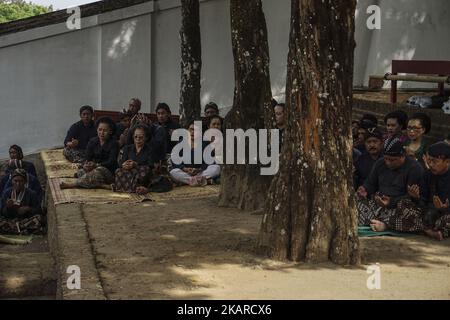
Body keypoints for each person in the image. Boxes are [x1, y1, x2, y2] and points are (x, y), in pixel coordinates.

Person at [356, 136, 423, 233]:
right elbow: (371, 183)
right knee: (355, 200)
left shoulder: (414, 168)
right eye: (386, 158)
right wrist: (364, 190)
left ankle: (385, 225)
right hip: (378, 205)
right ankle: (377, 222)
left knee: (408, 209)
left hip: (398, 208)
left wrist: (391, 202)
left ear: (402, 156)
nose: (388, 163)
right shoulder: (380, 163)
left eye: (392, 160)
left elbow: (412, 198)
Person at [60, 117, 119, 190]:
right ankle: (103, 186)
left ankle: (72, 185)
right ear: (97, 129)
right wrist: (86, 165)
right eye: (100, 130)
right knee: (82, 172)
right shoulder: (93, 141)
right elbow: (87, 158)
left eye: (105, 130)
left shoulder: (114, 144)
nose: (101, 133)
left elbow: (111, 162)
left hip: (107, 171)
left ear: (110, 131)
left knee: (96, 172)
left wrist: (96, 165)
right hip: (94, 168)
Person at [170, 120, 221, 186]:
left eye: (195, 130)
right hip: (186, 172)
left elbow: (208, 161)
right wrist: (184, 168)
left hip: (201, 172)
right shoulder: (181, 142)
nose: (192, 132)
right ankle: (199, 180)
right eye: (191, 129)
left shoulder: (205, 143)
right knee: (173, 172)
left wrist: (199, 169)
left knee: (216, 168)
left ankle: (191, 181)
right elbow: (175, 159)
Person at [419, 142, 450, 240]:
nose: (431, 165)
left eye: (435, 161)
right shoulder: (427, 175)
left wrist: (444, 208)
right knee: (404, 205)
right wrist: (416, 197)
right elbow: (423, 200)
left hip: (446, 215)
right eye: (429, 161)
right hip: (429, 212)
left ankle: (426, 229)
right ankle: (430, 230)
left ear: (447, 161)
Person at [0, 169, 43, 235]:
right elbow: (2, 212)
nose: (18, 184)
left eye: (21, 181)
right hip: (10, 221)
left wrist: (28, 209)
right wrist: (7, 207)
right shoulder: (7, 193)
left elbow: (39, 210)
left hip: (25, 221)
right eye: (15, 181)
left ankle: (13, 230)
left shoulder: (31, 194)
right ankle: (21, 230)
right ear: (12, 181)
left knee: (38, 219)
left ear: (25, 181)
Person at [114, 125, 156, 192]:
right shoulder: (127, 148)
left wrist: (136, 164)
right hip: (128, 172)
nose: (138, 139)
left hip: (141, 172)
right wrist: (124, 165)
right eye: (135, 137)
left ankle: (134, 187)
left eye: (141, 137)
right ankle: (132, 187)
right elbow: (122, 162)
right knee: (118, 171)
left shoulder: (149, 149)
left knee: (145, 170)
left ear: (146, 138)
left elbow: (150, 165)